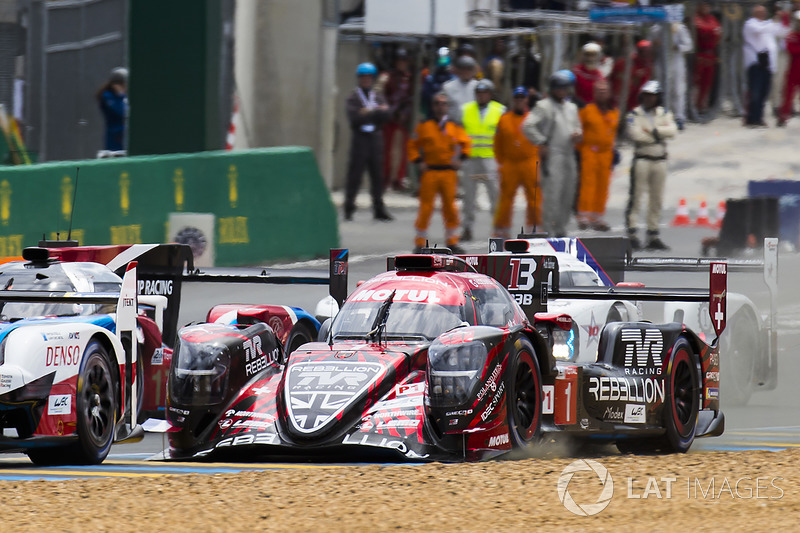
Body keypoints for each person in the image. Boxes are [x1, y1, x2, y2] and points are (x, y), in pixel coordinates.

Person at [408, 92, 471, 253]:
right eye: (437, 103)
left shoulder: (454, 126)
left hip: (449, 173)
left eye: (443, 103)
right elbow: (412, 145)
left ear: (447, 107)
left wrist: (460, 159)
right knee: (426, 207)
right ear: (432, 106)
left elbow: (466, 144)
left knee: (450, 207)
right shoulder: (424, 125)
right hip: (430, 171)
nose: (440, 106)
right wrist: (418, 161)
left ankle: (452, 241)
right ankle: (420, 242)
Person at [522, 70, 582, 238]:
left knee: (568, 194)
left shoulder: (571, 107)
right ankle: (548, 232)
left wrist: (578, 134)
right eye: (560, 88)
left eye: (565, 88)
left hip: (569, 153)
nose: (563, 91)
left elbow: (578, 127)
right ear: (554, 88)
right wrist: (541, 141)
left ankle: (561, 230)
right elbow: (528, 126)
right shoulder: (544, 106)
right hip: (553, 154)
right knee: (552, 195)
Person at [624, 81, 677, 251]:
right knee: (637, 197)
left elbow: (673, 131)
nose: (650, 99)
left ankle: (653, 233)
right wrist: (659, 134)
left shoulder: (664, 113)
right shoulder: (634, 114)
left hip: (660, 159)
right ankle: (632, 233)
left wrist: (653, 132)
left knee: (657, 198)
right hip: (642, 159)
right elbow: (635, 134)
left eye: (653, 96)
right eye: (647, 95)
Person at [343, 62, 393, 222]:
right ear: (359, 78)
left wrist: (369, 112)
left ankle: (378, 208)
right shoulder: (353, 97)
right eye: (363, 77)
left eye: (369, 77)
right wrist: (376, 112)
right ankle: (349, 207)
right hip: (360, 138)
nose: (366, 80)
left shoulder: (377, 95)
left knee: (377, 175)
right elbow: (355, 119)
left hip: (374, 138)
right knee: (355, 174)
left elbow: (387, 115)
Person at [460, 79, 506, 242]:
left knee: (495, 195)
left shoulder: (500, 110)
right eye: (478, 93)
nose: (481, 96)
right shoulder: (466, 110)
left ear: (490, 94)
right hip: (471, 160)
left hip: (490, 159)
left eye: (484, 93)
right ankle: (467, 228)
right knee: (469, 197)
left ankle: (499, 229)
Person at [492, 86, 541, 239]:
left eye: (522, 97)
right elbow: (497, 143)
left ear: (527, 99)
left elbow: (541, 140)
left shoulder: (534, 118)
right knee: (506, 199)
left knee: (534, 198)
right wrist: (501, 162)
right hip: (510, 164)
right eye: (517, 98)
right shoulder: (504, 119)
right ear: (513, 100)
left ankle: (534, 229)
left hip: (529, 162)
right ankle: (501, 230)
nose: (520, 100)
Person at [576, 80, 619, 232]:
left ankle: (597, 217)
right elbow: (578, 132)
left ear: (609, 93)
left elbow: (613, 133)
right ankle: (583, 216)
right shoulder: (587, 111)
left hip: (606, 153)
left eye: (605, 90)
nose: (602, 92)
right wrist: (581, 151)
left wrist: (614, 151)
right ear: (594, 93)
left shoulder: (614, 112)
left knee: (603, 185)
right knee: (588, 183)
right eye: (599, 90)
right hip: (590, 152)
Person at [743, 4, 787, 127]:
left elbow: (782, 32)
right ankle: (751, 119)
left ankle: (759, 118)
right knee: (755, 93)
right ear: (754, 13)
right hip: (755, 63)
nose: (762, 14)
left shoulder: (767, 25)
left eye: (763, 12)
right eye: (759, 12)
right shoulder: (750, 24)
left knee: (764, 93)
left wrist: (784, 20)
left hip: (767, 64)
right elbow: (760, 30)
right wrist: (775, 20)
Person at [381, 48, 414, 191]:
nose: (402, 64)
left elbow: (412, 96)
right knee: (387, 150)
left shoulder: (410, 77)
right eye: (400, 61)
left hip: (403, 118)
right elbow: (381, 95)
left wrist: (405, 113)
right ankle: (385, 178)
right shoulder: (387, 77)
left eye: (404, 61)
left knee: (403, 151)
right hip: (390, 117)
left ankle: (398, 179)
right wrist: (389, 110)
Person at [650, 22, 693, 130]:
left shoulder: (679, 28)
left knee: (678, 90)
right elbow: (648, 45)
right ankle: (662, 116)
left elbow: (689, 45)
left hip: (676, 62)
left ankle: (679, 117)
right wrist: (654, 43)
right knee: (662, 90)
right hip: (661, 62)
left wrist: (677, 46)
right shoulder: (656, 28)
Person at [693, 2, 722, 115]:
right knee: (697, 82)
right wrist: (712, 31)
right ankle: (693, 106)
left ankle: (701, 106)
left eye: (707, 5)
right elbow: (702, 30)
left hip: (711, 54)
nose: (706, 8)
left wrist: (710, 31)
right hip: (700, 54)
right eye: (703, 5)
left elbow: (718, 31)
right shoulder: (696, 17)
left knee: (707, 83)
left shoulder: (711, 18)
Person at [610, 40, 654, 113]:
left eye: (647, 52)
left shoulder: (648, 67)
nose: (645, 54)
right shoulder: (623, 63)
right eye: (642, 51)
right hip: (619, 101)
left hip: (636, 103)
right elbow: (612, 78)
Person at [96, 67, 128, 152]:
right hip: (114, 134)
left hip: (124, 133)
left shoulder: (123, 97)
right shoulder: (107, 96)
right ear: (116, 85)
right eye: (123, 85)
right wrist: (121, 95)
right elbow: (122, 112)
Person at [778, 11, 800, 126]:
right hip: (793, 70)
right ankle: (783, 117)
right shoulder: (792, 35)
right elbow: (791, 49)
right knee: (788, 95)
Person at [442, 56, 478, 125]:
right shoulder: (448, 87)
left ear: (473, 71)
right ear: (458, 70)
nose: (466, 72)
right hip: (454, 126)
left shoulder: (478, 87)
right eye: (463, 69)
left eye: (469, 69)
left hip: (472, 127)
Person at [421, 48, 453, 119]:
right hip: (432, 115)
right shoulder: (430, 79)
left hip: (449, 117)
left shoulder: (453, 80)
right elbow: (425, 96)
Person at [572, 42, 606, 106]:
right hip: (576, 105)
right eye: (588, 55)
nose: (590, 58)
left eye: (593, 55)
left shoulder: (600, 76)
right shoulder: (576, 71)